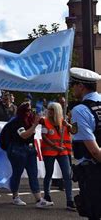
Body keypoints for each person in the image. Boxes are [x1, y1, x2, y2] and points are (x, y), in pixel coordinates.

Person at [4, 102, 53, 208]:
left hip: (30, 149)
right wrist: (35, 125)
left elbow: (45, 122)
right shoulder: (16, 122)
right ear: (22, 111)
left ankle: (39, 200)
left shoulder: (29, 120)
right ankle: (15, 197)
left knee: (33, 174)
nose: (29, 112)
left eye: (31, 110)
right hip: (17, 149)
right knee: (17, 173)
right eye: (27, 110)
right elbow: (24, 135)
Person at [69, 67, 101, 219]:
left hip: (94, 171)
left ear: (80, 86)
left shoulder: (80, 110)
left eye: (72, 85)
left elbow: (93, 151)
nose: (71, 89)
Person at [40, 102, 75, 210]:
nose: (50, 111)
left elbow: (74, 131)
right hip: (49, 152)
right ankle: (47, 195)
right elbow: (44, 137)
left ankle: (70, 200)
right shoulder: (44, 121)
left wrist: (68, 125)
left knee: (67, 175)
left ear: (58, 111)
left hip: (62, 151)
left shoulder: (63, 121)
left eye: (52, 110)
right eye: (49, 109)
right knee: (49, 173)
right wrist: (55, 147)